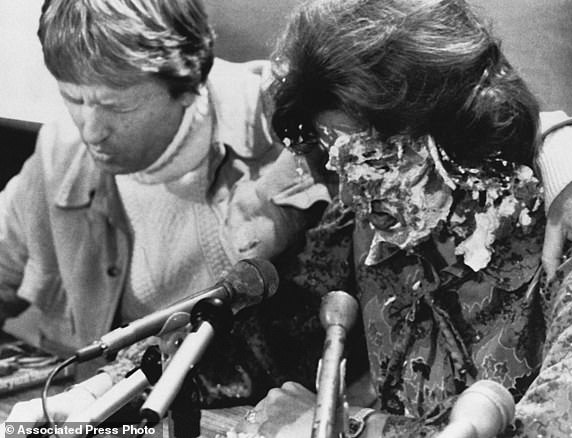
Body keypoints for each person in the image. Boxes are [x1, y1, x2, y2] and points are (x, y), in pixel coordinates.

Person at [227, 0, 572, 436]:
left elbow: (570, 428)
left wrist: (355, 427)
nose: (350, 191)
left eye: (374, 158)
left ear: (457, 127)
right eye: (336, 162)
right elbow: (262, 350)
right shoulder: (364, 219)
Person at [0, 0, 330, 427]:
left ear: (191, 84)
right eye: (74, 99)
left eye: (117, 107)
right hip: (99, 402)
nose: (91, 129)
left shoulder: (287, 135)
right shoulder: (63, 148)